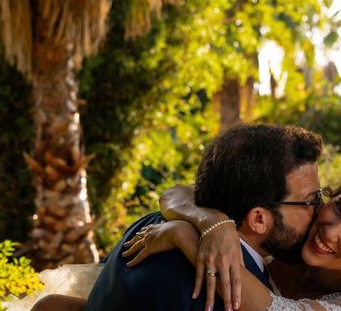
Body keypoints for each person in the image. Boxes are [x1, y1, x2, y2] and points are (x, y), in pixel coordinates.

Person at [30, 123, 323, 311]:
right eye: (310, 201)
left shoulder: (151, 224)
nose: (319, 211)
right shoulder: (223, 296)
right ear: (259, 219)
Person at [123, 167, 341, 311]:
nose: (331, 231)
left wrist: (184, 235)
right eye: (339, 207)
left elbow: (271, 309)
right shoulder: (291, 236)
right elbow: (179, 193)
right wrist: (213, 223)